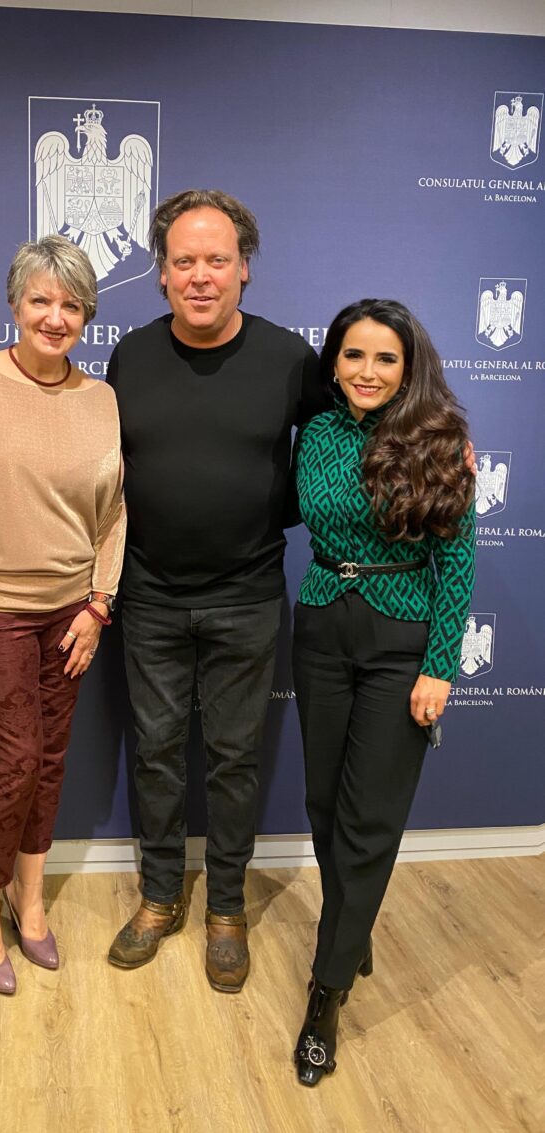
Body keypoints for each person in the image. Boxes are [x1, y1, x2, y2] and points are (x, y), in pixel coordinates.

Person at [106, 190, 329, 991]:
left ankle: (227, 907)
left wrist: (440, 441)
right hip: (149, 595)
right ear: (162, 274)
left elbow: (347, 438)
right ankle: (160, 895)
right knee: (157, 754)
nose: (201, 276)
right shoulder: (130, 357)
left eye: (218, 260)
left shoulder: (290, 359)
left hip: (248, 594)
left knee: (235, 759)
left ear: (245, 269)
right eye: (184, 261)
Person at [290, 299, 475, 1086]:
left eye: (385, 358)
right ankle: (352, 925)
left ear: (409, 366)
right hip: (321, 624)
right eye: (354, 355)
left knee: (370, 819)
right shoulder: (315, 433)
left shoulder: (440, 440)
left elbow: (457, 562)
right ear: (333, 362)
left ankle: (326, 992)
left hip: (403, 638)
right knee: (324, 805)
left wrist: (441, 664)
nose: (367, 371)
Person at [0, 235, 125, 995]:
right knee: (15, 760)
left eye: (71, 304)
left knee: (49, 759)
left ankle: (30, 895)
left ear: (87, 316)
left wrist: (98, 604)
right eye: (41, 300)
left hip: (73, 612)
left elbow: (114, 513)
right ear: (15, 304)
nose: (55, 316)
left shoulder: (102, 398)